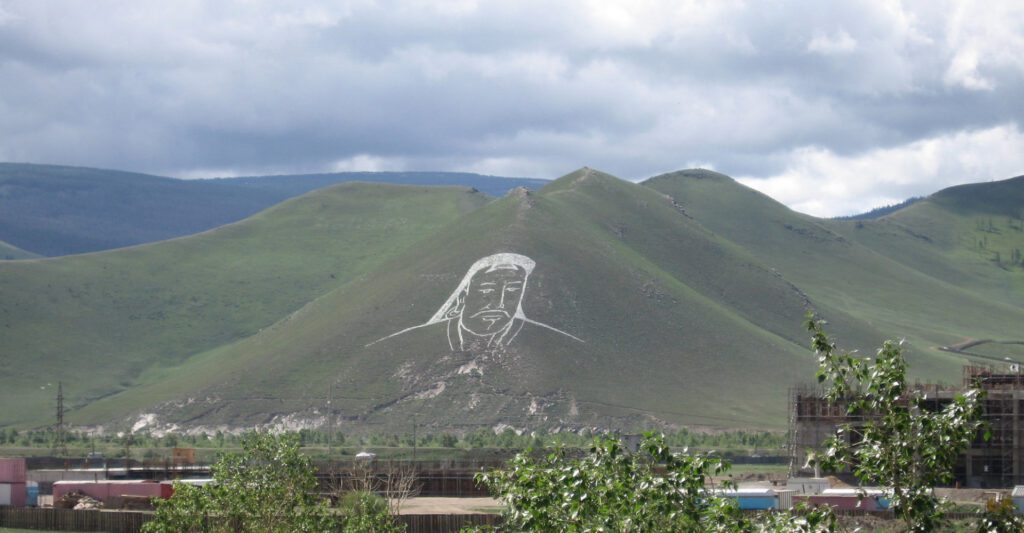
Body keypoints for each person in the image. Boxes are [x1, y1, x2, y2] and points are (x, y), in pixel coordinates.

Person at [367, 252, 582, 350]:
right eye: (487, 289)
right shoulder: (403, 344)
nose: (498, 302)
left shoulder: (562, 346)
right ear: (463, 295)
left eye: (512, 290)